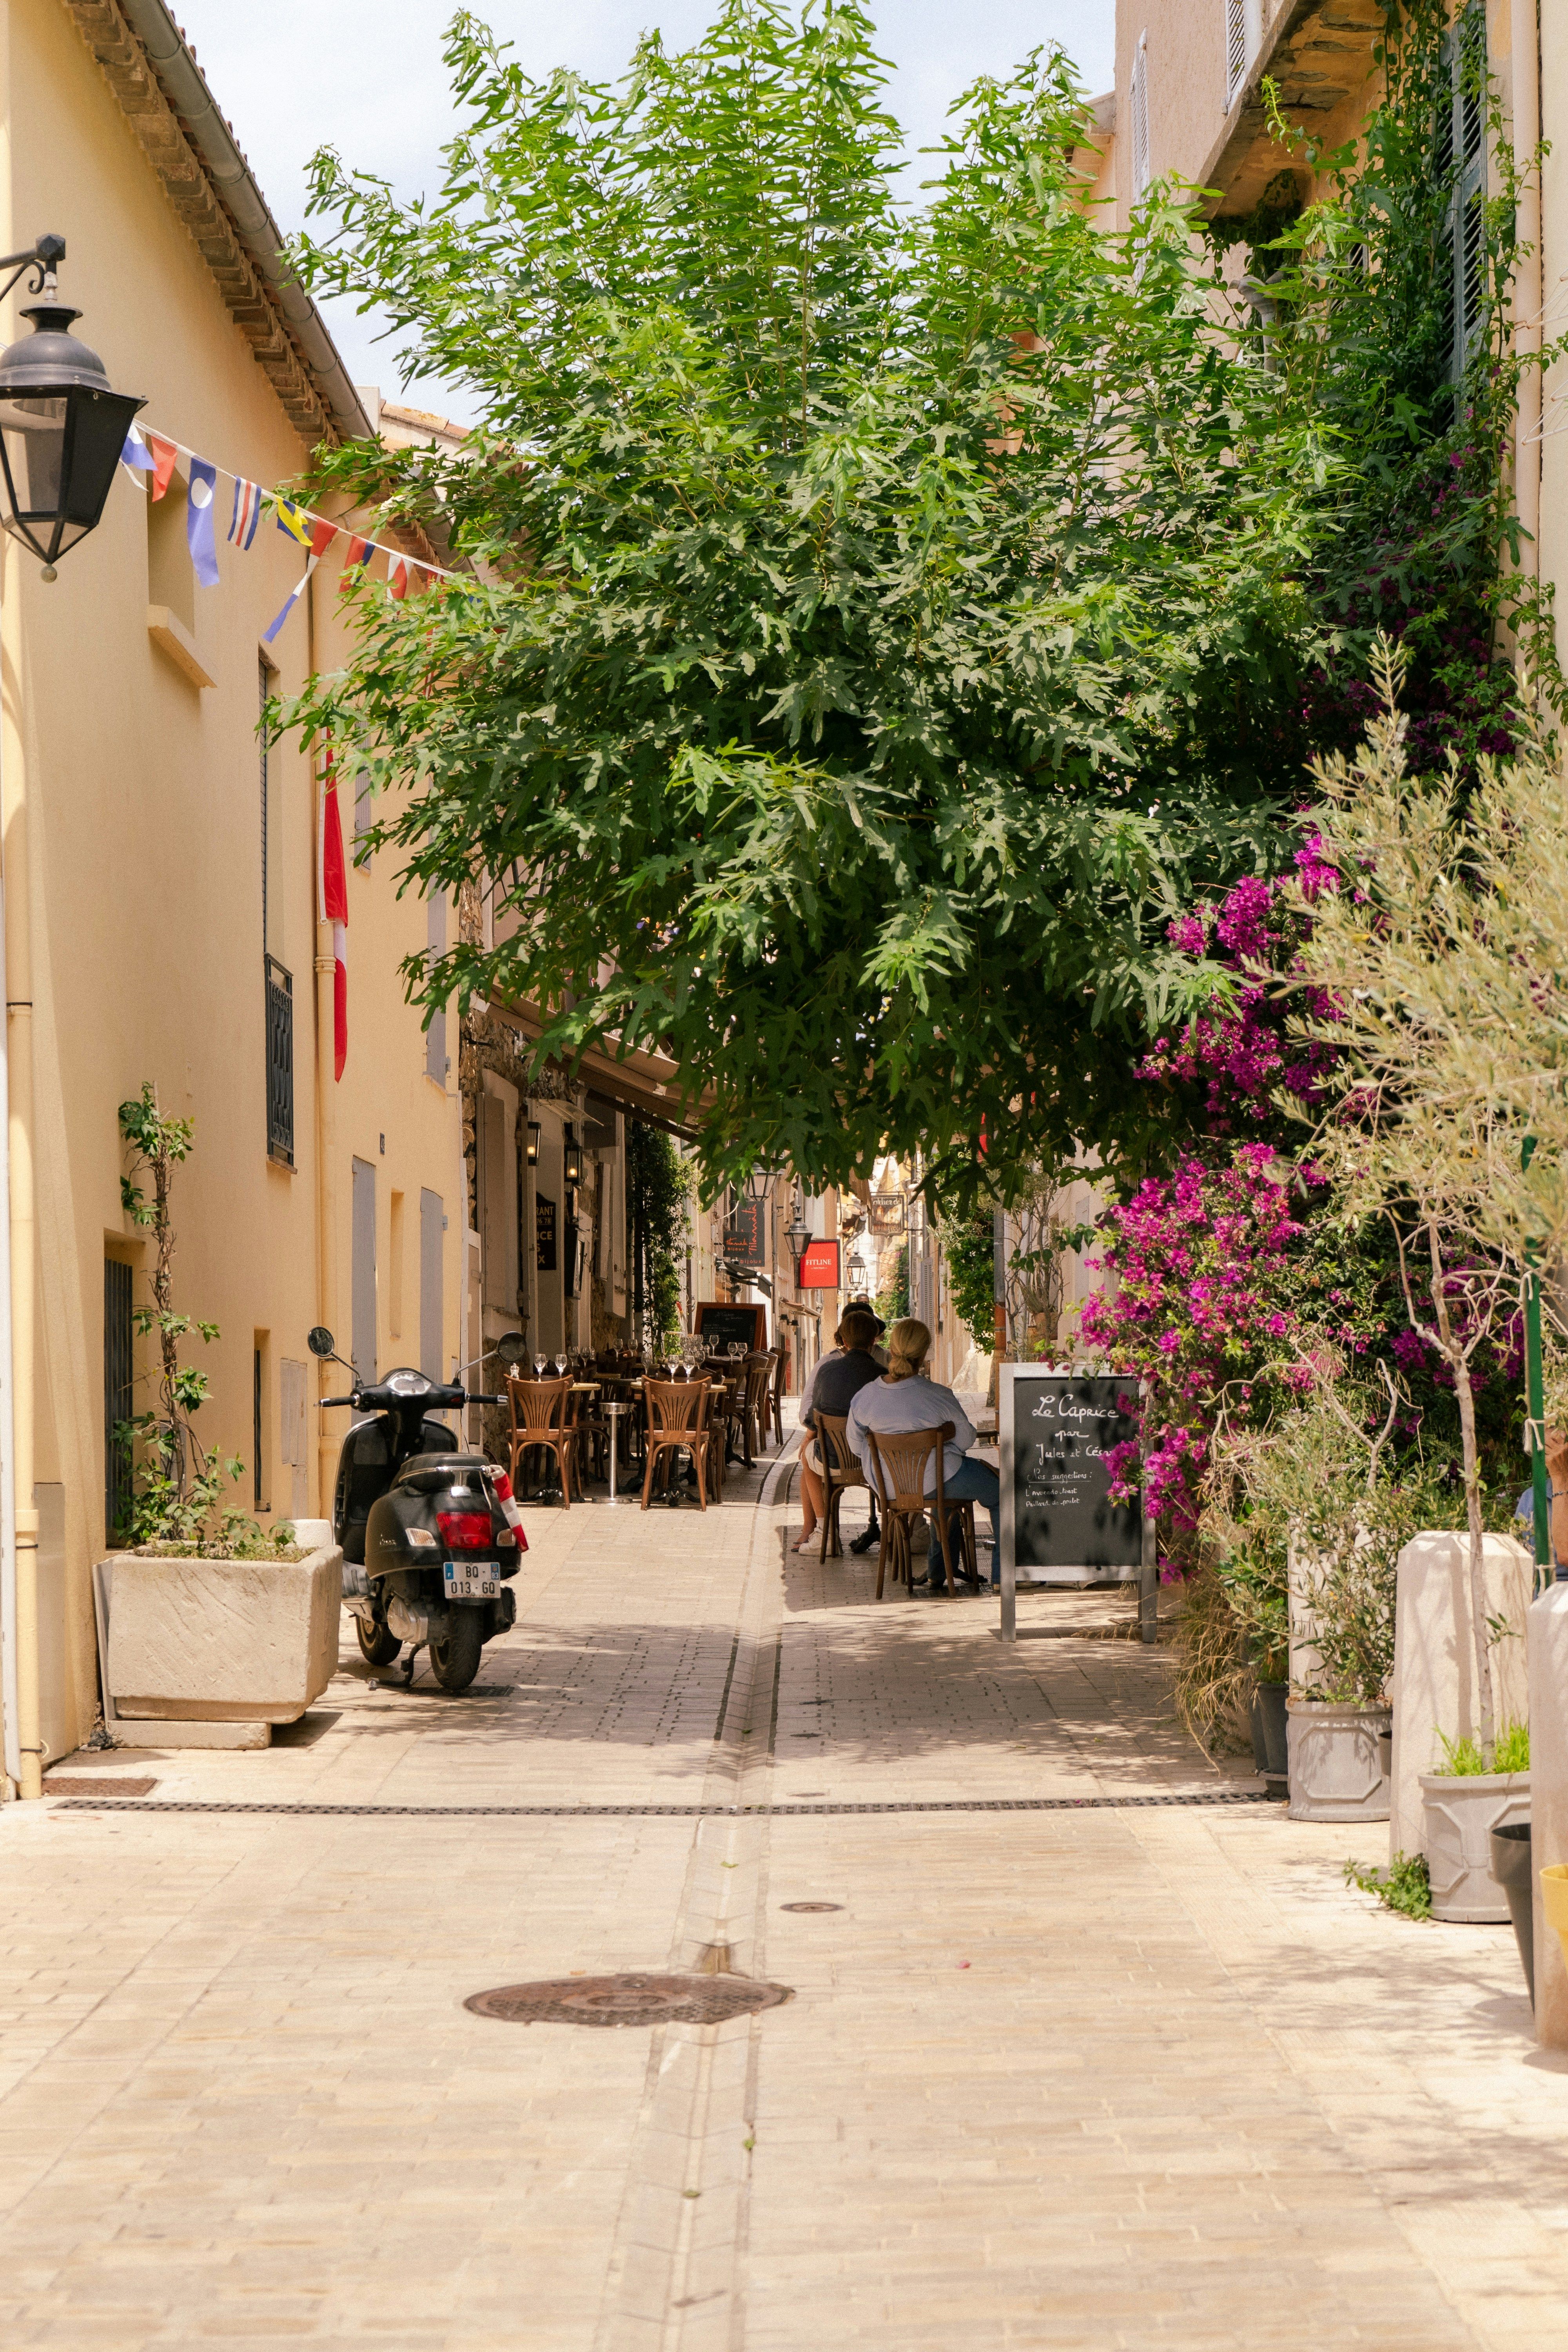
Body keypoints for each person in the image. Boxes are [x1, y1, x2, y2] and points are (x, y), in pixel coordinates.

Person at [845, 1317, 1000, 1592]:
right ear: (925, 1354)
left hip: (888, 1487)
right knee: (1003, 1493)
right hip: (941, 1479)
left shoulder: (865, 1397)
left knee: (946, 1500)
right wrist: (945, 1439)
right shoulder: (938, 1395)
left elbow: (856, 1446)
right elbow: (967, 1439)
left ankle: (938, 1572)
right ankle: (1004, 1576)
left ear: (891, 1349)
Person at [795, 1307, 884, 1553]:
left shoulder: (827, 1371)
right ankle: (902, 1532)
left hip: (833, 1461)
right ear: (873, 1340)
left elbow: (815, 1417)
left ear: (843, 1340)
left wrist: (809, 1438)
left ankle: (825, 1532)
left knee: (807, 1458)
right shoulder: (883, 1375)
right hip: (874, 1463)